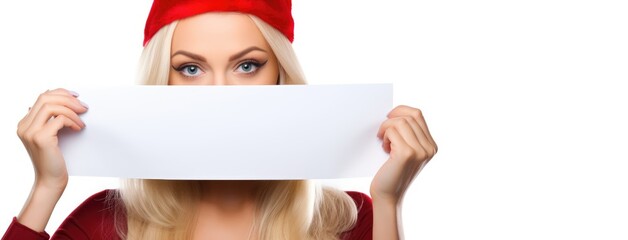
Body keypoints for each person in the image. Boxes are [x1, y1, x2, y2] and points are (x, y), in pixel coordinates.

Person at [2, 0, 437, 239]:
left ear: (281, 77)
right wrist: (45, 188)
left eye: (247, 65)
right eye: (190, 68)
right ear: (162, 83)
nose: (220, 92)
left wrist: (389, 202)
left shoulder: (348, 220)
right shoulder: (106, 222)